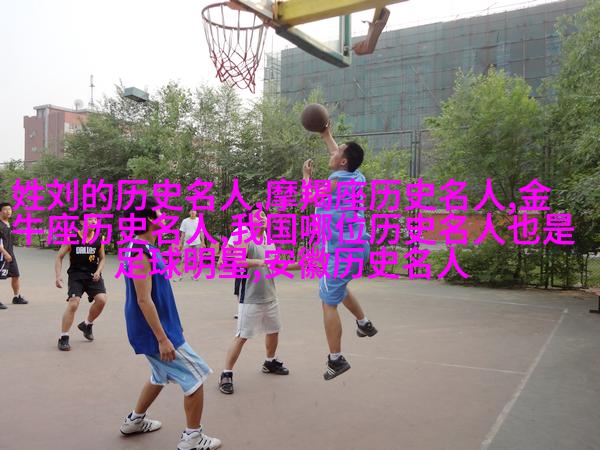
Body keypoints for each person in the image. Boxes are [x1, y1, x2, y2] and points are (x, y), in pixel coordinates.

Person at [119, 197, 221, 450]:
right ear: (150, 218)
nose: (164, 215)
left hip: (161, 328)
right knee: (196, 376)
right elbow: (143, 300)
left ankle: (134, 421)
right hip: (156, 332)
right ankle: (193, 438)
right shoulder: (139, 252)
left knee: (159, 375)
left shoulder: (145, 247)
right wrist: (163, 339)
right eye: (160, 212)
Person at [302, 124, 378, 381]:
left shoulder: (335, 183)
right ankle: (364, 323)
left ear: (343, 161)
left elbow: (308, 198)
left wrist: (306, 177)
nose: (332, 153)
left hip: (341, 253)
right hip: (358, 249)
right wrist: (326, 136)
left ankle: (336, 359)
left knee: (328, 301)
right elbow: (340, 155)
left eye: (336, 152)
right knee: (340, 287)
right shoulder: (356, 177)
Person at [216, 206, 296, 395]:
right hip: (250, 298)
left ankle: (269, 362)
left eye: (264, 215)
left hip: (270, 296)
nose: (262, 218)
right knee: (242, 336)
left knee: (274, 330)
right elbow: (238, 261)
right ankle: (226, 374)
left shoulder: (269, 242)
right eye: (257, 216)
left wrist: (302, 264)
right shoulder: (245, 238)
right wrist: (260, 262)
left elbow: (278, 265)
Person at [54, 213, 108, 351]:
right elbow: (59, 257)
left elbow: (102, 258)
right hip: (76, 275)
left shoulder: (99, 238)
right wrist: (58, 276)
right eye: (90, 219)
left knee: (102, 300)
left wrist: (98, 271)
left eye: (95, 219)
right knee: (73, 303)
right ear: (82, 222)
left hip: (93, 275)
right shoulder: (71, 238)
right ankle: (63, 337)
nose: (94, 221)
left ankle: (87, 324)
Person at [0, 202, 28, 309]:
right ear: (0, 211)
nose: (8, 211)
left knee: (15, 275)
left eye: (10, 209)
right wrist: (4, 253)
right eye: (5, 209)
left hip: (10, 254)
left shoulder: (9, 224)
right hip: (2, 255)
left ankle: (16, 297)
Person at [175, 209, 205, 282]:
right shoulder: (185, 221)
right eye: (191, 211)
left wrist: (203, 242)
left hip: (197, 242)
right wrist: (180, 243)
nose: (193, 212)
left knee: (196, 260)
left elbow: (201, 232)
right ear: (189, 212)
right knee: (184, 260)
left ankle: (194, 275)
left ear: (196, 212)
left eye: (194, 211)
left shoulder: (199, 220)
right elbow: (183, 233)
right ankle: (180, 276)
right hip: (187, 243)